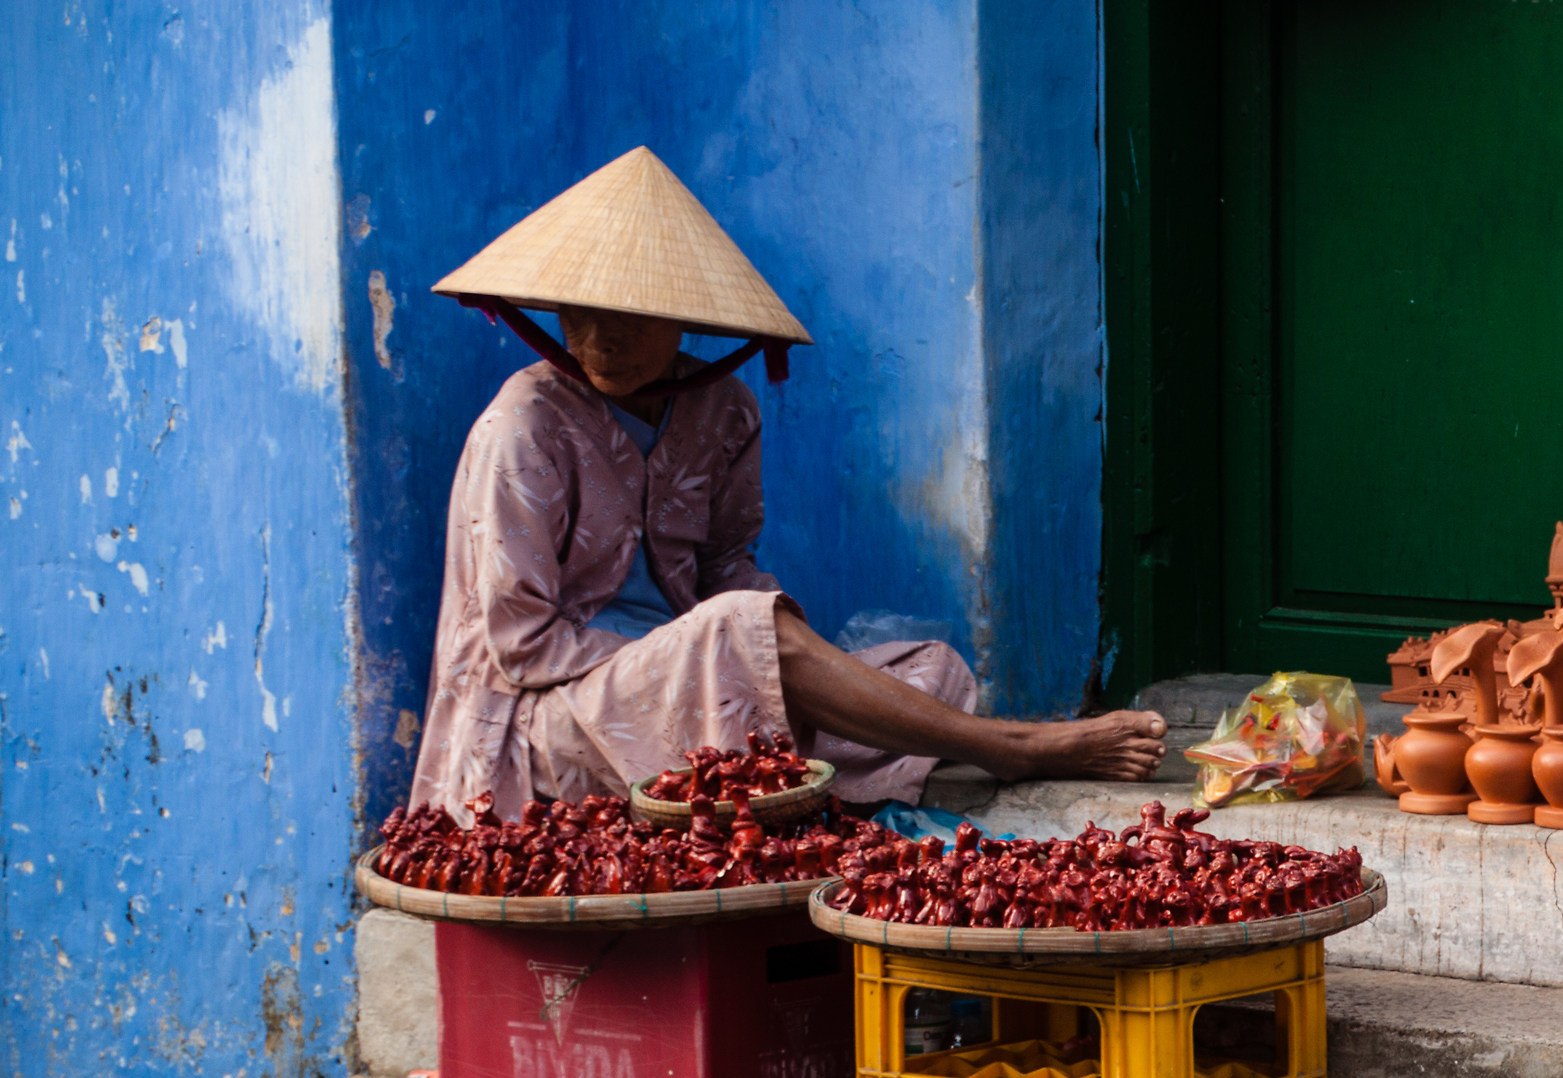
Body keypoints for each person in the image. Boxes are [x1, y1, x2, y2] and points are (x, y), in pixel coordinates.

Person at [408, 147, 1164, 820]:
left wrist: (734, 657)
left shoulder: (721, 410)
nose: (600, 337)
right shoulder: (524, 426)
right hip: (546, 718)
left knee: (930, 671)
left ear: (680, 320)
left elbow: (726, 570)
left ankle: (806, 743)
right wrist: (703, 653)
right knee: (742, 632)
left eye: (630, 316)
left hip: (689, 684)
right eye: (580, 311)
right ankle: (1014, 746)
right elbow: (521, 645)